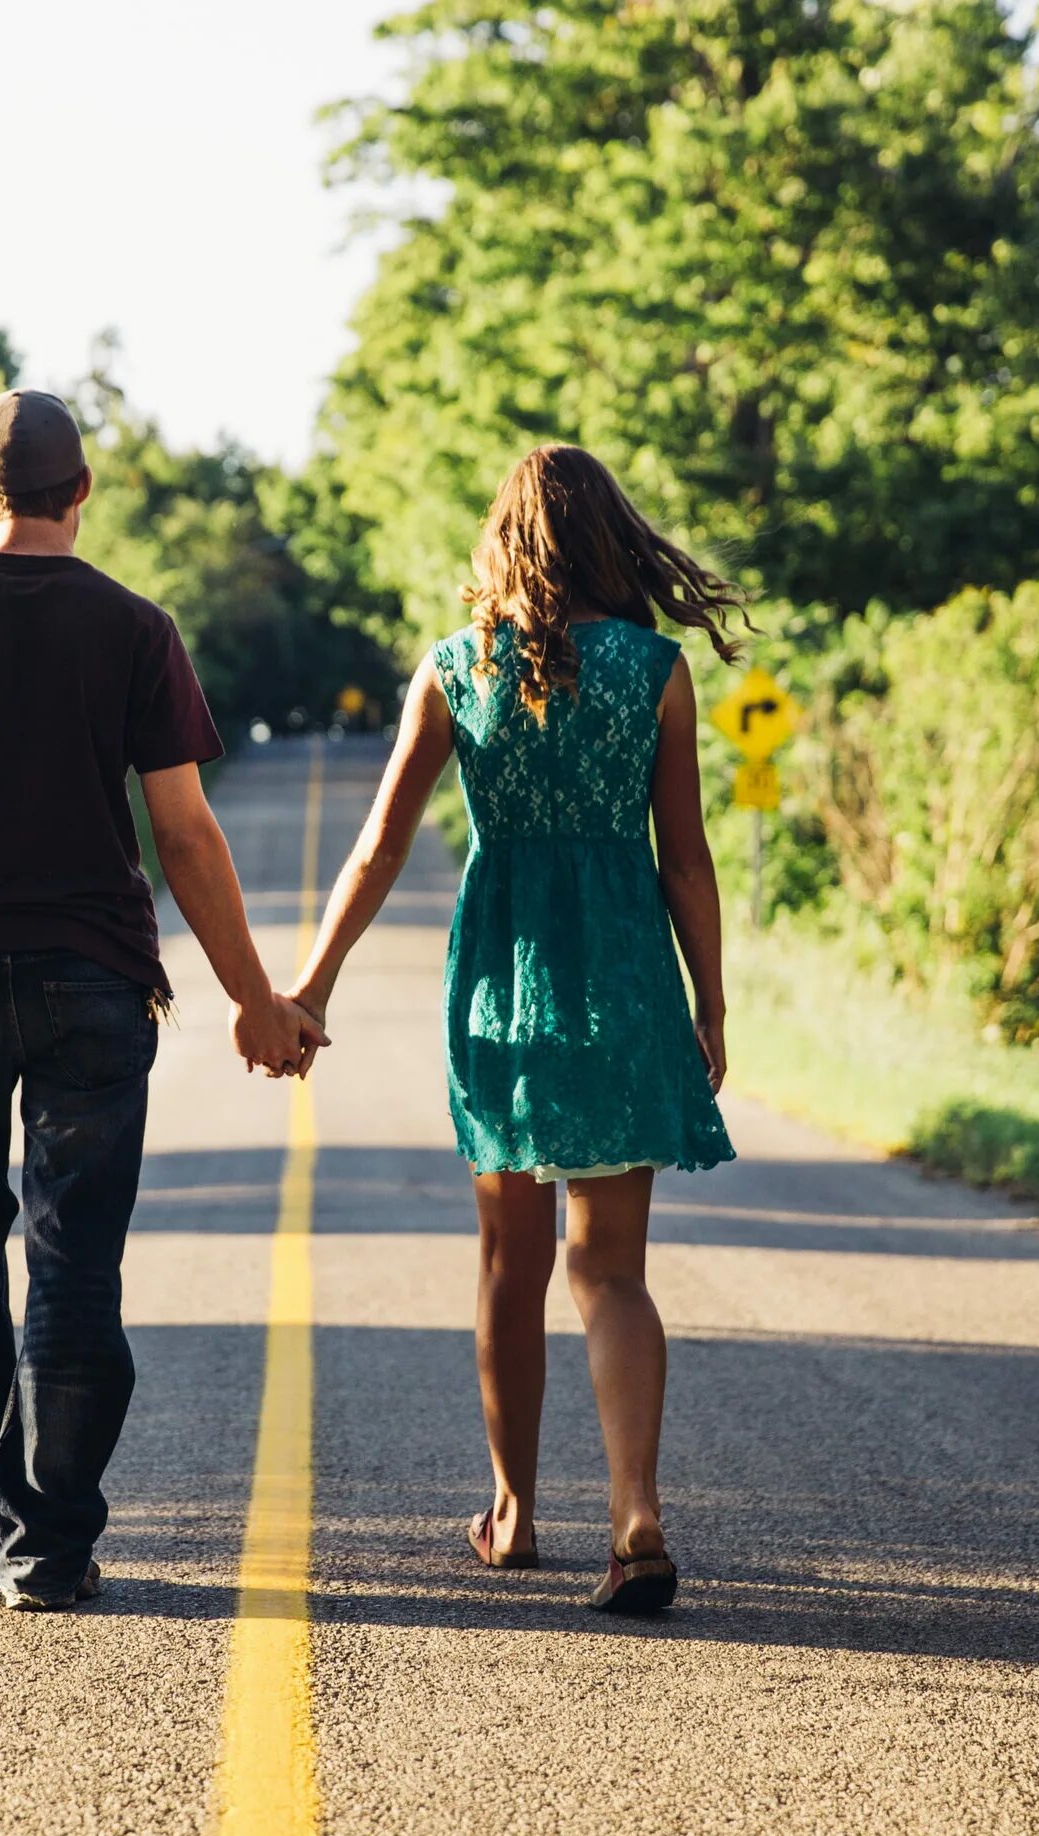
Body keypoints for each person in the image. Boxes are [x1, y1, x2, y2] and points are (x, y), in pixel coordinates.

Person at [0, 387, 325, 1612]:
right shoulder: (137, 629)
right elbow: (186, 834)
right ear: (81, 494)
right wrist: (255, 999)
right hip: (95, 982)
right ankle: (44, 1544)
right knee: (73, 1256)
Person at [285, 443, 737, 1616]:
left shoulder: (455, 670)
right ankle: (636, 1515)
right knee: (613, 1270)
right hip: (628, 977)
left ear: (506, 539)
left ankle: (516, 1512)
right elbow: (684, 857)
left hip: (502, 985)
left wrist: (313, 983)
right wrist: (711, 998)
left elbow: (381, 842)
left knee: (510, 1263)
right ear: (610, 540)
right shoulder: (657, 671)